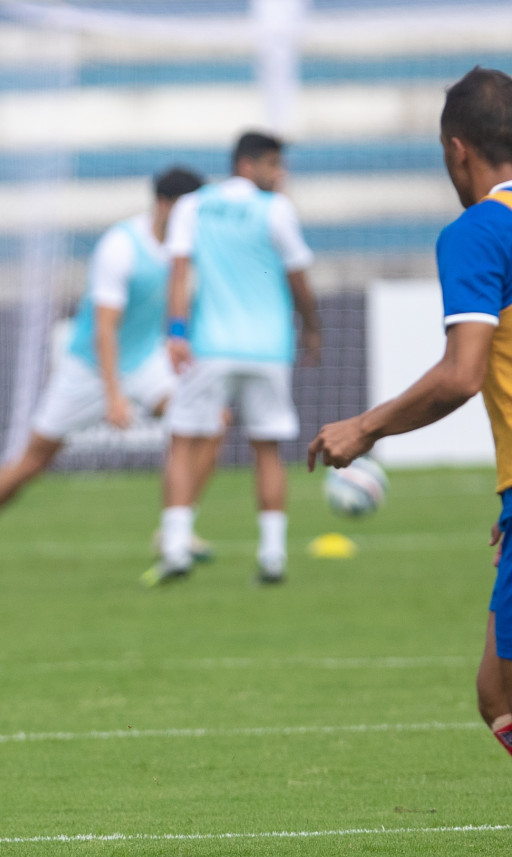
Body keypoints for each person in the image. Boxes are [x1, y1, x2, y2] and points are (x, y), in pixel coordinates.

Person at [310, 66, 512, 759]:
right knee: (497, 689)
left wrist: (364, 428)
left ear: (457, 149)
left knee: (503, 694)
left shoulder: (481, 231)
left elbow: (461, 375)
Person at [0, 167, 206, 540]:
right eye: (189, 209)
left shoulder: (185, 248)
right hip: (89, 368)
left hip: (144, 361)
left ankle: (176, 530)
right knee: (34, 461)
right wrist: (114, 397)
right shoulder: (121, 246)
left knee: (206, 420)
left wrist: (178, 338)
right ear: (163, 204)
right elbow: (104, 330)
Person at [144, 131, 322, 587]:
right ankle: (272, 554)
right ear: (249, 164)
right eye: (274, 165)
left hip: (210, 346)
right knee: (267, 448)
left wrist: (176, 332)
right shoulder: (276, 208)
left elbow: (179, 271)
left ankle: (177, 546)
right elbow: (298, 276)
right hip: (268, 347)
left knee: (183, 440)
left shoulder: (193, 206)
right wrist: (313, 328)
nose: (280, 175)